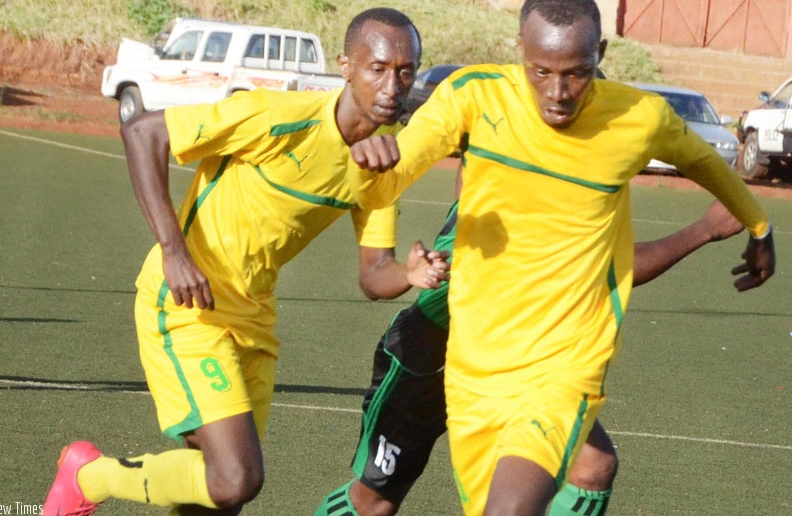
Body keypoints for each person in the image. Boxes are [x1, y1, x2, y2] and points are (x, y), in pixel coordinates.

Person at [345, 0, 775, 516]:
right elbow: (396, 166)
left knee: (529, 499)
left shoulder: (639, 118)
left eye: (576, 72)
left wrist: (759, 227)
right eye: (541, 72)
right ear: (520, 51)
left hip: (563, 365)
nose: (558, 92)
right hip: (474, 365)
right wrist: (373, 158)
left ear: (600, 55)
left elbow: (706, 164)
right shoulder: (474, 96)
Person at [41, 7, 449, 516]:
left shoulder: (380, 165)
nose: (392, 86)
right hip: (188, 306)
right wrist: (174, 251)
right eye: (378, 69)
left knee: (217, 499)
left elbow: (374, 275)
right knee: (235, 477)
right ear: (346, 66)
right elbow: (143, 132)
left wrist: (410, 275)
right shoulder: (277, 115)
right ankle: (88, 477)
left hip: (254, 321)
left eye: (406, 72)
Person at [316, 185, 745, 516]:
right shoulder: (511, 167)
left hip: (517, 354)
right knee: (375, 502)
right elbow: (608, 268)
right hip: (427, 355)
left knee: (592, 469)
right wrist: (704, 230)